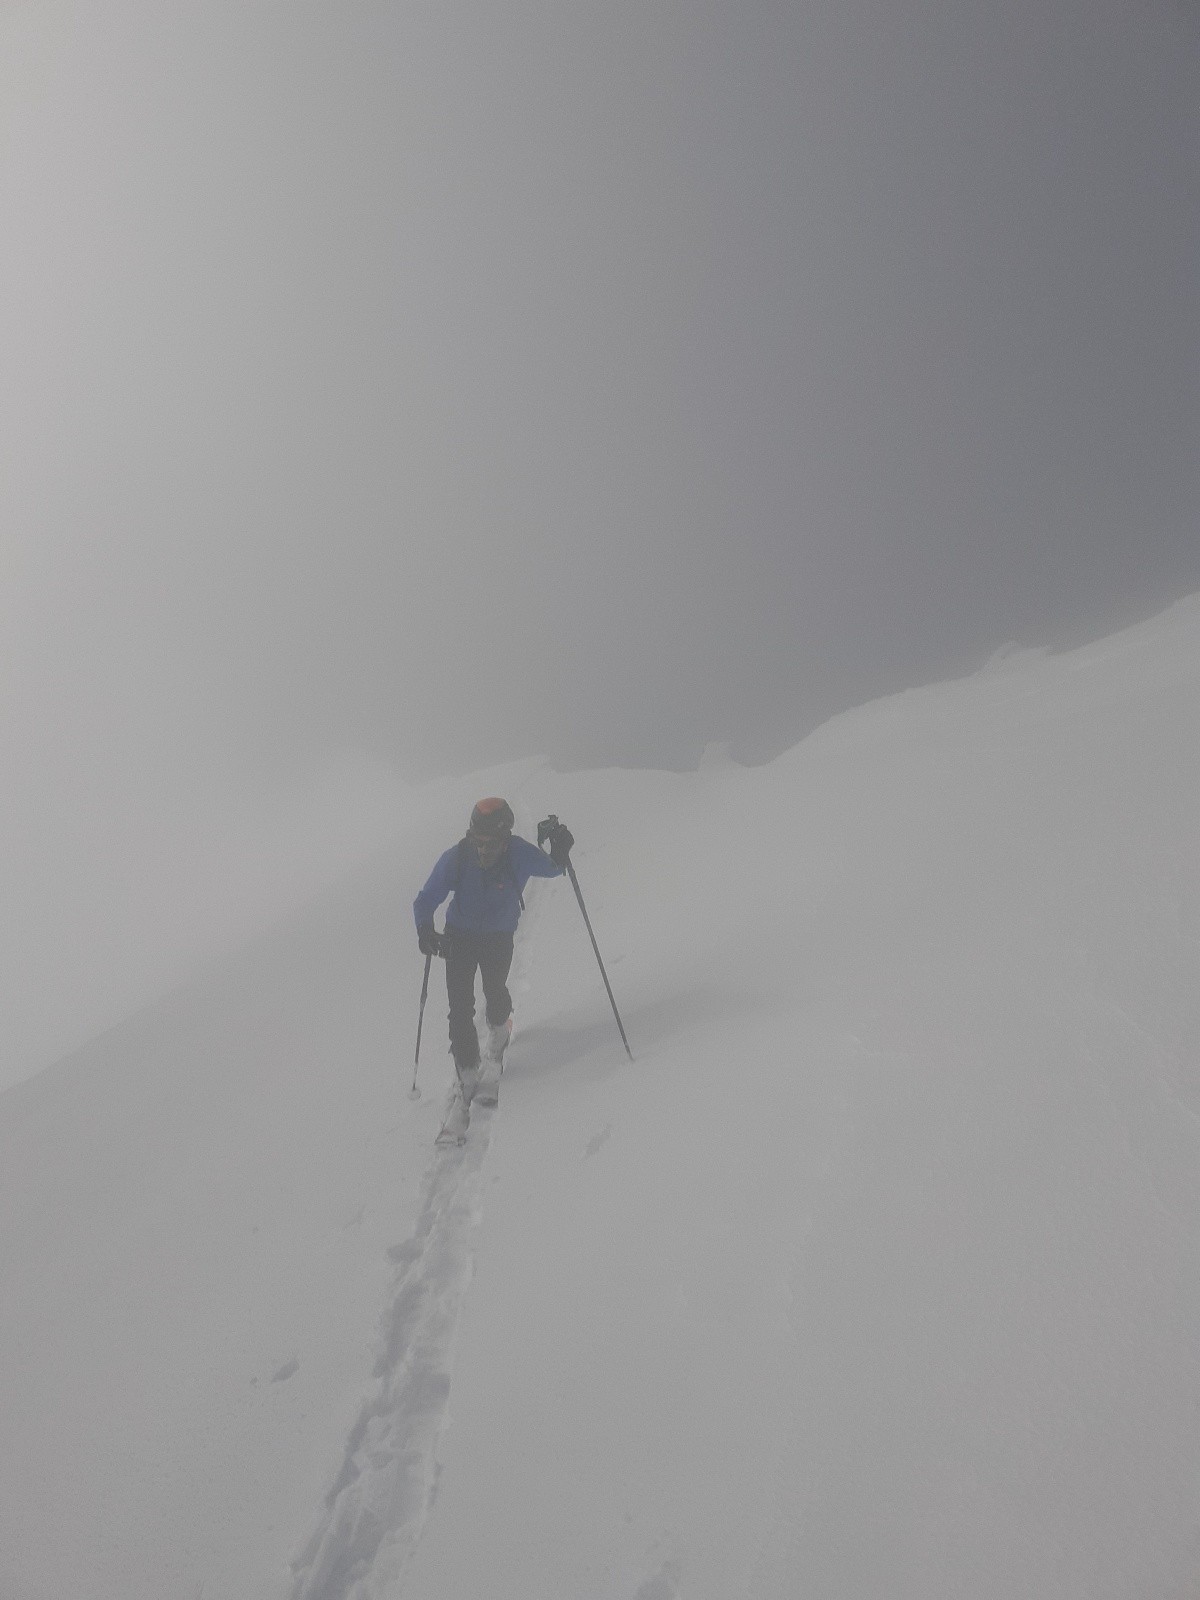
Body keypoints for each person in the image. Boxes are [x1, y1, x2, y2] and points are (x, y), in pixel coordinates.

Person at [413, 798, 574, 1098]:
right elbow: (426, 898)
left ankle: (499, 1030)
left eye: (491, 843)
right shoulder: (458, 857)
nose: (483, 849)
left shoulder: (519, 853)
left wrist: (560, 849)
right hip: (459, 937)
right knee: (460, 1008)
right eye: (478, 841)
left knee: (495, 992)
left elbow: (553, 868)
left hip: (498, 937)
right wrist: (425, 930)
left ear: (505, 837)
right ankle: (467, 1069)